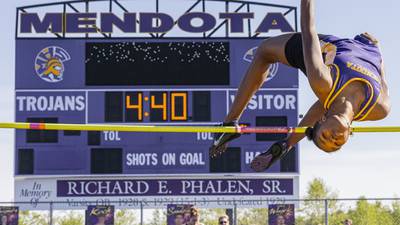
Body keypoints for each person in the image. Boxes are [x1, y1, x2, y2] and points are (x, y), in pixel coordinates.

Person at [210, 0, 390, 172]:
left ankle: (230, 122)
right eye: (336, 143)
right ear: (348, 135)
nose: (333, 138)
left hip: (327, 52)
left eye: (325, 137)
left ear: (322, 121)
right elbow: (382, 78)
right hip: (367, 47)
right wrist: (376, 48)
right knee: (328, 102)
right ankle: (286, 144)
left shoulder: (322, 81)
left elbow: (308, 30)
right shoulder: (379, 109)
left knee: (265, 50)